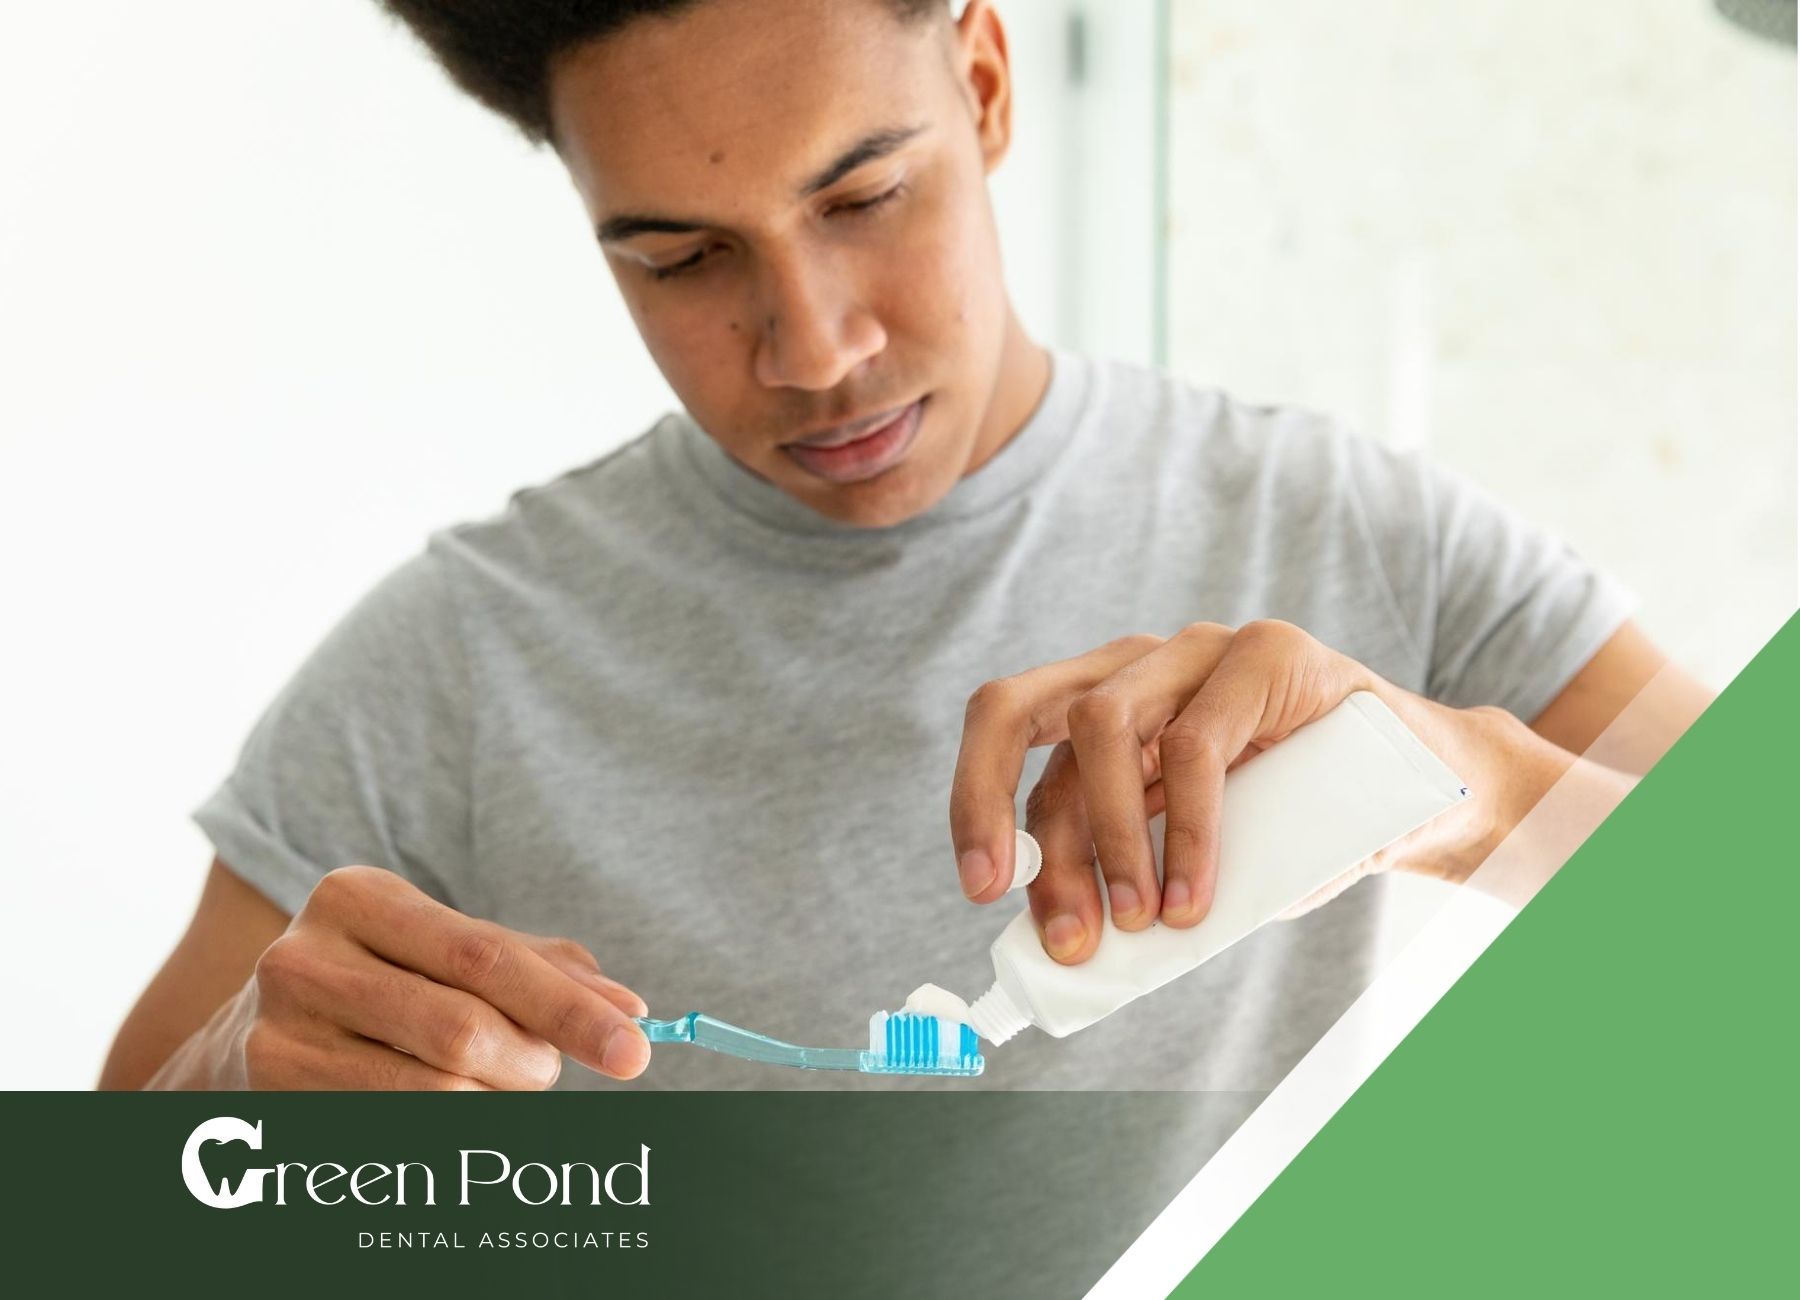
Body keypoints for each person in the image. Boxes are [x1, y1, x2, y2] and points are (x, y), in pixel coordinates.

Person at [102, 0, 1708, 1100]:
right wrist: (240, 1074)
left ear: (989, 87)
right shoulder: (452, 666)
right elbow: (108, 1230)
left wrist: (1466, 787)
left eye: (865, 196)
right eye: (680, 260)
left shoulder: (1352, 532)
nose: (809, 346)